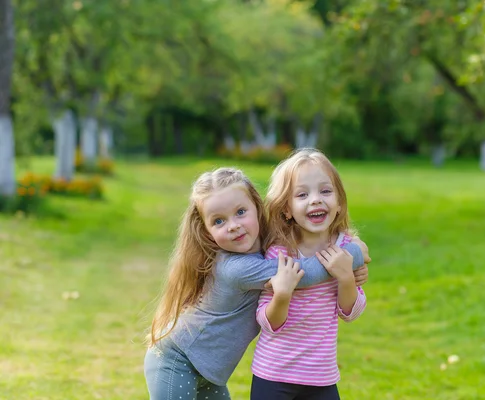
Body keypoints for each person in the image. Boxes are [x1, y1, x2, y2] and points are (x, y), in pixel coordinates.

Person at [143, 167, 370, 400]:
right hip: (176, 361)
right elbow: (302, 274)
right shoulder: (235, 269)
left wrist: (350, 272)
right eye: (219, 221)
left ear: (257, 208)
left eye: (241, 212)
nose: (233, 225)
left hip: (207, 371)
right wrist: (355, 253)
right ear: (207, 232)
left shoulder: (266, 247)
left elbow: (301, 246)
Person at [250, 148, 367, 400]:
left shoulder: (346, 248)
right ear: (287, 209)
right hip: (274, 374)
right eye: (302, 194)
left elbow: (351, 312)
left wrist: (346, 277)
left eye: (325, 191)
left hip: (321, 377)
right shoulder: (279, 253)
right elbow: (268, 323)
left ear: (339, 203)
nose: (315, 200)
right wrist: (282, 294)